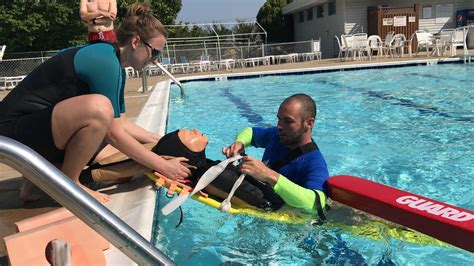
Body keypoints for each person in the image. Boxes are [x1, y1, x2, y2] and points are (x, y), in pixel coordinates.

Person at [0, 3, 190, 203]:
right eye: (155, 52)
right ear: (136, 42)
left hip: (29, 129)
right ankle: (69, 183)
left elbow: (122, 123)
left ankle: (34, 180)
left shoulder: (115, 62)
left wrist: (164, 142)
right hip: (11, 134)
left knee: (115, 155)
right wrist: (163, 165)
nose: (155, 60)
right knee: (99, 109)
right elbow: (113, 133)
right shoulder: (104, 60)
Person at [80, 128, 284, 210]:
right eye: (187, 135)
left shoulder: (212, 168)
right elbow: (268, 204)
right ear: (183, 159)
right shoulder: (211, 175)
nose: (194, 130)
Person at [222, 93, 329, 216]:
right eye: (279, 119)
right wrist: (240, 143)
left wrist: (268, 174)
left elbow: (316, 202)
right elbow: (251, 132)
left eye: (288, 121)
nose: (279, 126)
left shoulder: (314, 162)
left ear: (309, 123)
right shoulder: (277, 136)